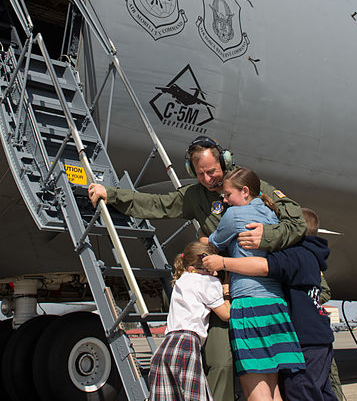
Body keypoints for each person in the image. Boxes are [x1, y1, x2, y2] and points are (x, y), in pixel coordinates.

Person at [88, 136, 307, 401]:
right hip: (220, 289)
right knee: (222, 364)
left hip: (258, 290)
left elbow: (297, 221)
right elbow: (157, 204)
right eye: (200, 173)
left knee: (270, 373)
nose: (208, 178)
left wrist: (266, 236)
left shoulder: (248, 185)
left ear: (224, 163)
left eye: (212, 171)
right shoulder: (195, 196)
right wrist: (111, 194)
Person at [203, 206, 338, 401]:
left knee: (301, 393)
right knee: (323, 393)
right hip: (319, 338)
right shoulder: (311, 255)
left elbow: (263, 266)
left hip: (305, 340)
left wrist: (223, 262)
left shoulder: (295, 255)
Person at [205, 167, 305, 401]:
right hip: (275, 306)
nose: (225, 200)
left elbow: (214, 242)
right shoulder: (271, 215)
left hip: (250, 307)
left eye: (228, 195)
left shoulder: (233, 215)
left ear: (245, 191)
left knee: (254, 389)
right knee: (272, 386)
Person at [148, 241, 230, 401]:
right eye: (211, 270)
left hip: (165, 347)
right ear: (194, 269)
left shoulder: (182, 279)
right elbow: (226, 314)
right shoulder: (208, 282)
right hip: (186, 345)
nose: (214, 274)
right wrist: (226, 290)